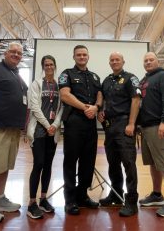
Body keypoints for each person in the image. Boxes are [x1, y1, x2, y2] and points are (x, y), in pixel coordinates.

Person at [0, 42, 28, 225]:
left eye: (19, 53)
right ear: (5, 53)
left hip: (13, 128)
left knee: (4, 165)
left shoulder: (16, 74)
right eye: (13, 51)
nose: (16, 54)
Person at [58, 45, 102, 215]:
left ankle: (82, 195)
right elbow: (65, 95)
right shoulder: (67, 73)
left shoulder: (94, 76)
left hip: (90, 124)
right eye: (79, 55)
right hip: (74, 122)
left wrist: (96, 107)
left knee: (88, 162)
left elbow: (100, 94)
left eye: (84, 54)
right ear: (74, 56)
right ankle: (69, 200)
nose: (82, 57)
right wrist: (86, 107)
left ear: (88, 56)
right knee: (70, 162)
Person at [138, 52, 164, 218]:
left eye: (151, 60)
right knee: (154, 163)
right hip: (147, 128)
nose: (148, 62)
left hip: (160, 126)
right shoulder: (144, 80)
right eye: (145, 60)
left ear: (158, 61)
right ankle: (157, 195)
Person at [98, 52, 140, 217]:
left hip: (125, 125)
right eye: (112, 60)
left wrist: (131, 123)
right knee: (113, 163)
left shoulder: (130, 78)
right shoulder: (107, 80)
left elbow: (136, 100)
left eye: (117, 60)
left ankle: (131, 201)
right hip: (109, 126)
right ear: (109, 63)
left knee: (128, 164)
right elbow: (102, 97)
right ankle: (116, 195)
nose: (114, 62)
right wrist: (100, 110)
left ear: (123, 62)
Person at [26, 55, 62, 219]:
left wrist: (55, 124)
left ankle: (43, 199)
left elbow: (61, 107)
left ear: (55, 66)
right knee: (39, 163)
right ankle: (32, 203)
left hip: (53, 131)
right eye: (46, 64)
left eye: (51, 64)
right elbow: (34, 106)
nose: (49, 67)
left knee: (48, 165)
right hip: (40, 130)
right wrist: (48, 125)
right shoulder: (36, 83)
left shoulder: (59, 85)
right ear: (43, 66)